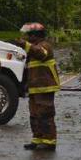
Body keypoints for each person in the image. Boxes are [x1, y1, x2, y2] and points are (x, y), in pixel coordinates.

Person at [16, 23, 59, 151]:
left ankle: (49, 141)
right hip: (35, 88)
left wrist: (26, 45)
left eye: (29, 35)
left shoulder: (45, 46)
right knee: (34, 115)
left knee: (45, 114)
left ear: (36, 35)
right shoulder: (33, 48)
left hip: (45, 87)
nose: (28, 38)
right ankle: (37, 139)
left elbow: (41, 54)